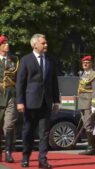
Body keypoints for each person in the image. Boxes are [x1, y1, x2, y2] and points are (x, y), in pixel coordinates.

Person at [16, 34, 60, 169]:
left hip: (46, 102)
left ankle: (42, 160)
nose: (46, 45)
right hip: (30, 103)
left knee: (44, 133)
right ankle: (25, 157)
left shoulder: (50, 60)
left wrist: (56, 100)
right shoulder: (26, 60)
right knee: (28, 131)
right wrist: (20, 101)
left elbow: (54, 82)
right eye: (43, 43)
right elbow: (20, 83)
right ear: (34, 45)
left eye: (46, 43)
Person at [0, 35, 19, 163]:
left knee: (9, 125)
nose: (7, 44)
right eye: (4, 43)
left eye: (7, 42)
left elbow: (19, 78)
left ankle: (8, 151)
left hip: (11, 95)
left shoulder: (15, 60)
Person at [77, 55, 95, 156]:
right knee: (86, 125)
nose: (85, 64)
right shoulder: (83, 74)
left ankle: (91, 148)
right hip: (82, 102)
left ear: (91, 64)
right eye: (83, 63)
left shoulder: (94, 74)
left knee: (89, 125)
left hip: (89, 102)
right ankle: (90, 147)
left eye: (87, 63)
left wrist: (94, 104)